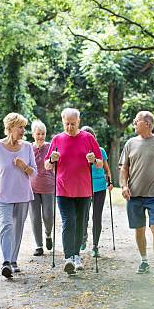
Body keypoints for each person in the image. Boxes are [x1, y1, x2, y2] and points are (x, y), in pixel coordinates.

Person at [44, 108, 103, 275]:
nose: (70, 127)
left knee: (80, 224)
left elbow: (100, 163)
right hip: (63, 189)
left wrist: (94, 160)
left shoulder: (88, 138)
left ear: (79, 122)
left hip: (84, 189)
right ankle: (68, 258)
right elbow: (47, 166)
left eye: (73, 124)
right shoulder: (57, 139)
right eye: (67, 124)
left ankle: (77, 256)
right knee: (68, 221)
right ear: (63, 122)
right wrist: (51, 159)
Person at [0, 113, 37, 279]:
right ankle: (6, 262)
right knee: (6, 226)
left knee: (17, 229)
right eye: (20, 127)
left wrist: (23, 166)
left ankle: (13, 260)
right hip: (2, 196)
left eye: (24, 127)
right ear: (10, 128)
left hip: (22, 195)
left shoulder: (28, 147)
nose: (23, 130)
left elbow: (34, 173)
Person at [119, 111, 154, 279]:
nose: (134, 123)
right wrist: (124, 186)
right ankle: (144, 261)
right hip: (134, 196)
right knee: (139, 229)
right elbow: (124, 168)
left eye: (137, 121)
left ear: (147, 124)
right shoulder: (130, 143)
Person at [80, 126, 113, 258]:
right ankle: (83, 237)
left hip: (99, 187)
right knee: (83, 216)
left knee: (96, 217)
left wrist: (110, 182)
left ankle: (95, 246)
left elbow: (106, 169)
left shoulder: (100, 151)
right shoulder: (79, 151)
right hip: (84, 187)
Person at [29, 120, 55, 256]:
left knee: (48, 216)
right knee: (34, 217)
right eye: (38, 134)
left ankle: (48, 234)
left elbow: (56, 166)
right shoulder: (28, 148)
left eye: (43, 134)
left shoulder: (51, 147)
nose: (40, 136)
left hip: (48, 186)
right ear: (33, 134)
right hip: (31, 188)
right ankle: (38, 246)